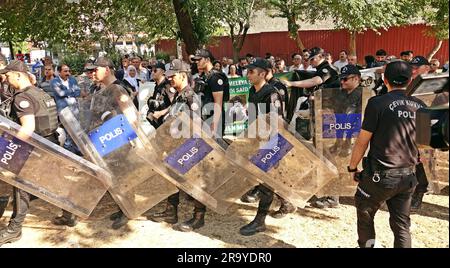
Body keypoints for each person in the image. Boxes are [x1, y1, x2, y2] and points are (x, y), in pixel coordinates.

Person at [348, 61, 426, 248]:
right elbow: (423, 143)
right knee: (401, 226)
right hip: (407, 176)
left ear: (384, 79)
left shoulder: (376, 103)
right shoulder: (420, 105)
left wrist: (352, 167)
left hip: (379, 176)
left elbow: (363, 140)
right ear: (410, 80)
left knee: (366, 218)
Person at [0, 60, 60, 246]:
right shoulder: (40, 93)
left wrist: (10, 151)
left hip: (34, 147)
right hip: (51, 142)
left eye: (8, 75)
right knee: (58, 182)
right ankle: (70, 214)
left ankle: (14, 229)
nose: (7, 79)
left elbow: (28, 128)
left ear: (18, 75)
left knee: (20, 186)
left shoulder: (22, 97)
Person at [148, 62, 210, 233]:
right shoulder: (179, 95)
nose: (169, 78)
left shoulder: (191, 96)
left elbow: (198, 125)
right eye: (168, 75)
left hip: (191, 145)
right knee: (170, 176)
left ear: (183, 75)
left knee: (195, 181)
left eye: (172, 75)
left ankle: (198, 217)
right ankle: (171, 212)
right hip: (177, 144)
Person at [239, 58, 284, 236]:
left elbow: (278, 122)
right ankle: (286, 202)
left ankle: (260, 221)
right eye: (247, 71)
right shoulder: (252, 90)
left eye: (251, 71)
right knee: (266, 178)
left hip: (272, 141)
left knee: (267, 181)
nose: (248, 75)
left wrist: (270, 147)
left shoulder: (271, 93)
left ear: (263, 74)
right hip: (258, 138)